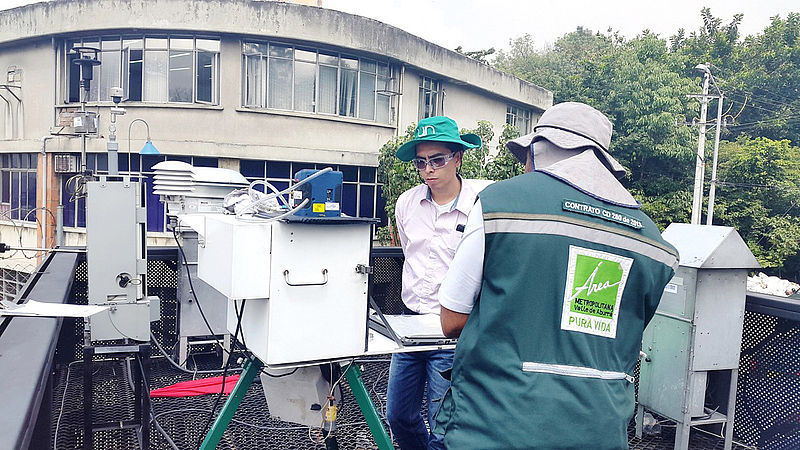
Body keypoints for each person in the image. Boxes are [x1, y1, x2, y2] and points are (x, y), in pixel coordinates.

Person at [434, 102, 679, 449]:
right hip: (599, 430)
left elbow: (452, 320)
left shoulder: (499, 203)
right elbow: (620, 333)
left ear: (541, 149)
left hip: (496, 424)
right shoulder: (655, 244)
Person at [388, 115, 492, 450]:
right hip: (410, 324)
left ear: (458, 159)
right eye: (421, 162)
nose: (428, 169)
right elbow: (408, 251)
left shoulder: (479, 207)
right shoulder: (407, 203)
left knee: (443, 424)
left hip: (452, 329)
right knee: (398, 415)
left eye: (437, 160)